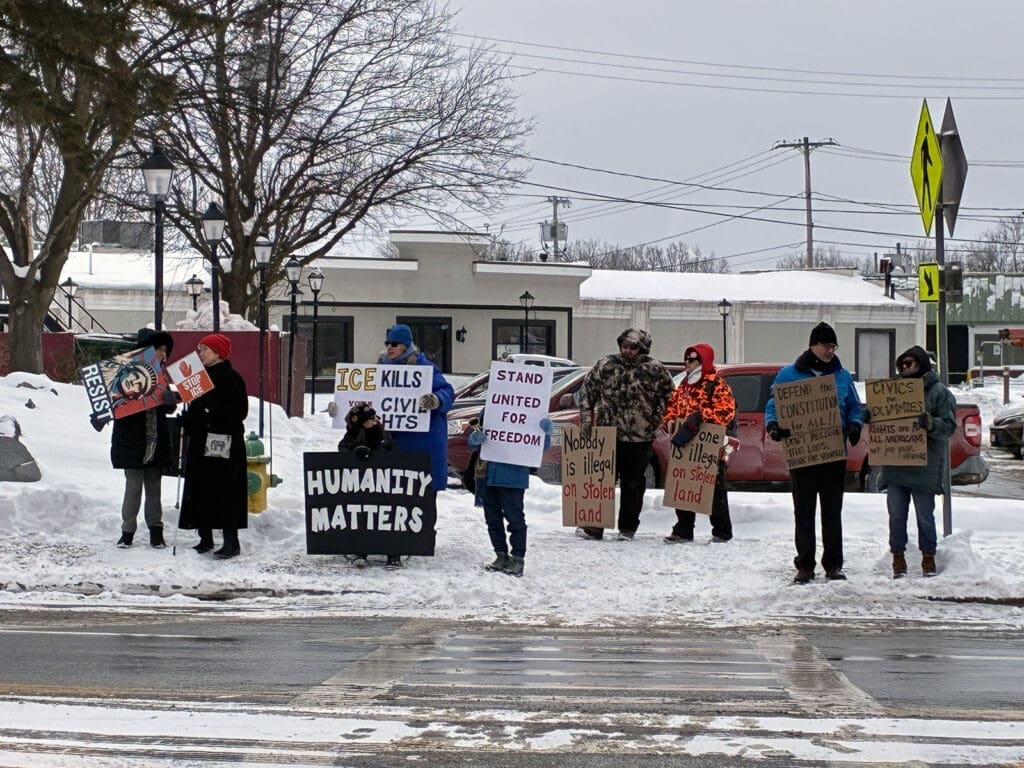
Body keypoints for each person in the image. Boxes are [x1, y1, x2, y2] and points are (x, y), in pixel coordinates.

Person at [765, 322, 863, 584]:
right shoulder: (788, 375)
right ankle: (805, 565)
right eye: (827, 346)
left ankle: (833, 564)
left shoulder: (841, 376)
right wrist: (773, 425)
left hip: (833, 452)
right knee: (804, 511)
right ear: (813, 345)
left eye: (834, 346)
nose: (831, 351)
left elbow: (854, 405)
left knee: (832, 511)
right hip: (803, 454)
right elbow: (774, 403)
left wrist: (855, 424)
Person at [864, 345, 956, 579]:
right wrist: (869, 415)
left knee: (925, 516)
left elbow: (949, 426)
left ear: (922, 364)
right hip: (896, 468)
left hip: (925, 468)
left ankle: (928, 557)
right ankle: (898, 557)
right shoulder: (890, 392)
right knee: (896, 516)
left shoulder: (938, 392)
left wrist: (931, 424)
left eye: (910, 363)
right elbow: (879, 416)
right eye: (902, 364)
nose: (905, 368)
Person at [575, 327, 675, 541]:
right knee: (600, 481)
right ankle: (594, 526)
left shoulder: (655, 370)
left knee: (633, 484)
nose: (627, 350)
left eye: (633, 347)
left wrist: (659, 423)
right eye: (624, 345)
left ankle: (627, 528)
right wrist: (586, 423)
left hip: (640, 437)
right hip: (607, 434)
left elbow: (670, 400)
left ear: (643, 349)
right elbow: (587, 394)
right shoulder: (606, 365)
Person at [95, 329, 177, 549]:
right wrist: (101, 415)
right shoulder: (125, 371)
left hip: (155, 438)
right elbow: (112, 400)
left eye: (165, 351)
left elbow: (167, 405)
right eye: (159, 350)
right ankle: (127, 531)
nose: (163, 355)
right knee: (133, 486)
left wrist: (170, 401)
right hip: (131, 438)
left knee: (154, 487)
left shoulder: (161, 375)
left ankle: (156, 531)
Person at [178, 334, 249, 559]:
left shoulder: (231, 377)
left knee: (225, 491)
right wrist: (185, 420)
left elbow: (239, 412)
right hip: (200, 442)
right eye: (200, 350)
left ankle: (231, 541)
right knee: (201, 488)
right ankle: (205, 537)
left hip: (223, 443)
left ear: (218, 353)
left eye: (205, 350)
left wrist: (209, 408)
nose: (201, 354)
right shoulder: (199, 377)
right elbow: (195, 408)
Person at [661, 343, 736, 544]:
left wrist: (701, 416)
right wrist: (668, 420)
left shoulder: (717, 385)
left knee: (714, 489)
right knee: (682, 484)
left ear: (703, 360)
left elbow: (726, 413)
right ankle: (683, 529)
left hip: (707, 447)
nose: (687, 362)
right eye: (686, 358)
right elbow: (672, 407)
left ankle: (721, 530)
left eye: (692, 359)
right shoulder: (684, 385)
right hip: (685, 446)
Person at [467, 410, 552, 577]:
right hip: (488, 473)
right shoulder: (492, 407)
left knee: (514, 518)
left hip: (513, 475)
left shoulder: (533, 410)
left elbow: (541, 445)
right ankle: (501, 555)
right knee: (492, 518)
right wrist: (474, 439)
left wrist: (546, 433)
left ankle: (518, 558)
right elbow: (472, 442)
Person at [378, 324, 454, 492]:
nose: (390, 347)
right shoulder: (380, 372)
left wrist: (436, 400)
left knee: (423, 509)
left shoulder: (424, 369)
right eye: (387, 343)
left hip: (422, 449)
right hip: (394, 450)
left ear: (405, 346)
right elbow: (365, 399)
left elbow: (447, 392)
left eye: (395, 343)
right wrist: (342, 409)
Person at [336, 402, 401, 569]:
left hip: (385, 486)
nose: (375, 421)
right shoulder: (351, 436)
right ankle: (361, 551)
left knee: (388, 518)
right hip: (361, 487)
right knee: (362, 517)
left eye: (374, 417)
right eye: (370, 419)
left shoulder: (383, 435)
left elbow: (395, 457)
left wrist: (377, 452)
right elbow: (342, 450)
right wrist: (354, 453)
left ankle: (393, 553)